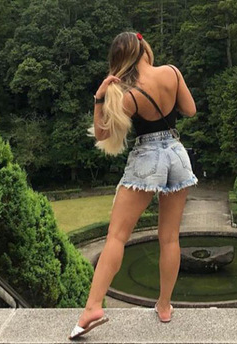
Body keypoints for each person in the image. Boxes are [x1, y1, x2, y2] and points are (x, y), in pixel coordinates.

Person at [69, 31, 198, 340]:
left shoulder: (127, 95)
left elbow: (102, 134)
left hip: (147, 158)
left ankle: (93, 307)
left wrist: (99, 97)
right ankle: (164, 306)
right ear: (143, 48)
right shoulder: (172, 72)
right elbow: (190, 110)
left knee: (117, 236)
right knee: (170, 238)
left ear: (120, 59)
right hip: (177, 155)